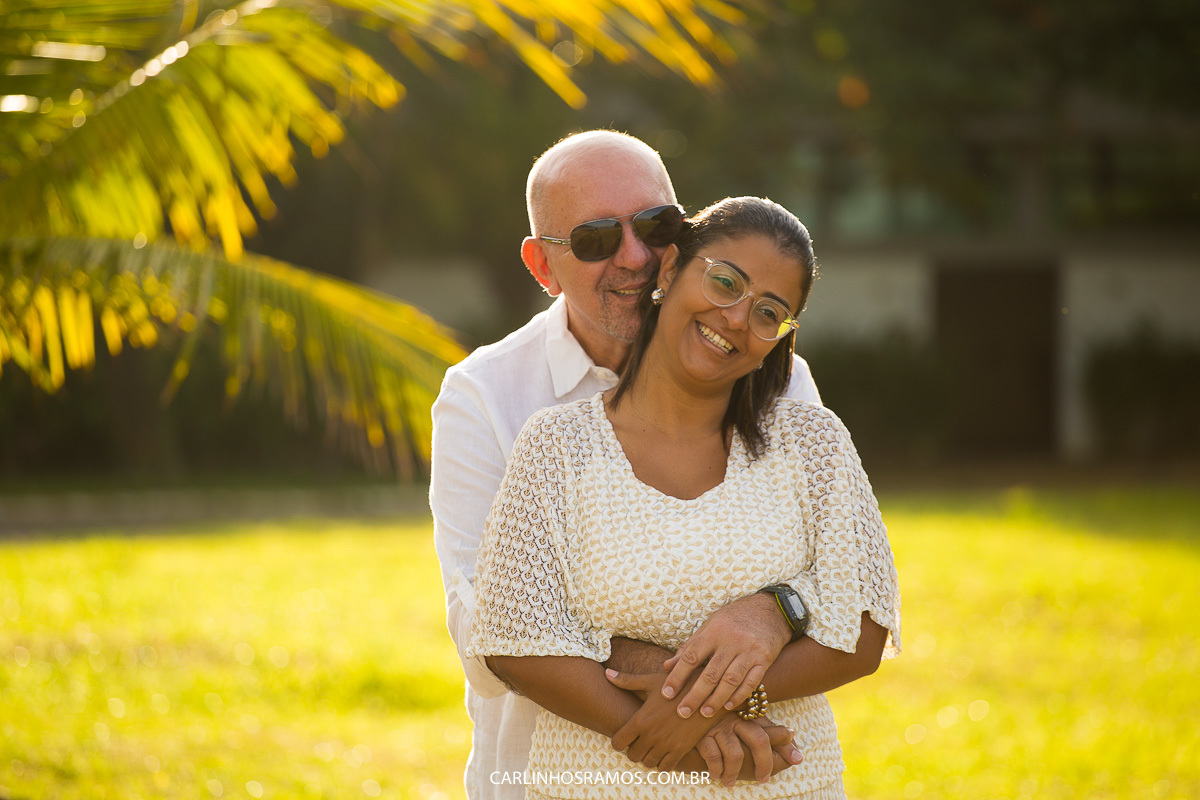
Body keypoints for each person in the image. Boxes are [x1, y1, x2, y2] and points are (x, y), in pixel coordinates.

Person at [430, 131, 823, 800]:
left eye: (656, 225)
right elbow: (484, 626)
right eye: (594, 240)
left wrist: (775, 610)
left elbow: (844, 573)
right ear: (542, 267)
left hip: (761, 780)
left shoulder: (777, 379)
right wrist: (680, 699)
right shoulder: (485, 398)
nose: (636, 257)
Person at [467, 196, 901, 799]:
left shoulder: (812, 443)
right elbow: (514, 643)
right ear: (669, 271)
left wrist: (732, 684)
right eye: (725, 281)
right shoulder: (557, 446)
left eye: (768, 312)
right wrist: (689, 733)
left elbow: (862, 628)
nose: (735, 318)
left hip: (782, 785)